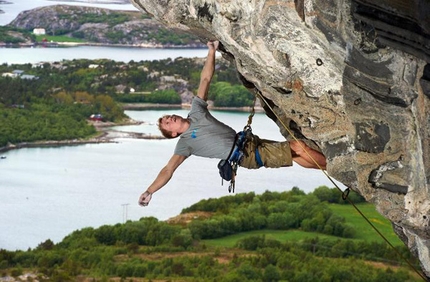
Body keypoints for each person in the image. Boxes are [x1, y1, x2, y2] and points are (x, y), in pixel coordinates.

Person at [138, 41, 327, 206]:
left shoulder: (196, 110)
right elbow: (168, 170)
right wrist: (150, 191)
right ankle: (330, 167)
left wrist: (212, 51)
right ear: (173, 134)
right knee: (298, 147)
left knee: (292, 154)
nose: (169, 118)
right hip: (246, 155)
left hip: (248, 142)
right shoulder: (185, 144)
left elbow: (205, 79)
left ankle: (326, 166)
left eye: (168, 117)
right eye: (167, 124)